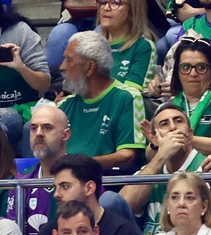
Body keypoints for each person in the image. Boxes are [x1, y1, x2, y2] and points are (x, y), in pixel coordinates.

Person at [54, 33, 144, 172]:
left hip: (108, 183)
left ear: (89, 67)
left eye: (69, 60)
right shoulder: (63, 105)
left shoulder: (127, 97)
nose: (62, 66)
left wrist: (80, 165)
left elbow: (128, 155)